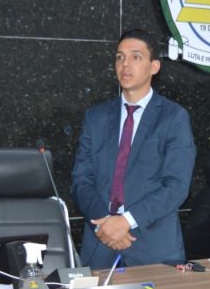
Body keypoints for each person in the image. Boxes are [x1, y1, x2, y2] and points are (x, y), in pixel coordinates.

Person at [72, 29, 196, 268]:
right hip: (100, 243)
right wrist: (105, 224)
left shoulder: (173, 118)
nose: (125, 64)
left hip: (153, 248)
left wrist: (126, 221)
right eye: (120, 57)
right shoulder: (96, 117)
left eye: (136, 57)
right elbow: (81, 180)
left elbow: (176, 185)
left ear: (154, 67)